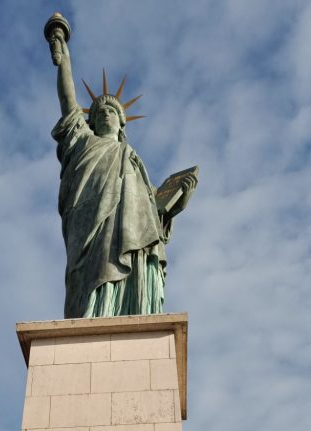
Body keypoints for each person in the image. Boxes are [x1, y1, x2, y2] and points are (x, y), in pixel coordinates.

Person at [46, 20, 198, 319]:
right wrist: (64, 59)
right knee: (92, 272)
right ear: (91, 121)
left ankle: (132, 314)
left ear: (121, 123)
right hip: (91, 222)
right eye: (100, 112)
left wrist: (174, 204)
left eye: (112, 112)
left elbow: (152, 215)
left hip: (130, 231)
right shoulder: (83, 141)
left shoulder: (132, 160)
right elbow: (68, 101)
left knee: (133, 263)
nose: (106, 115)